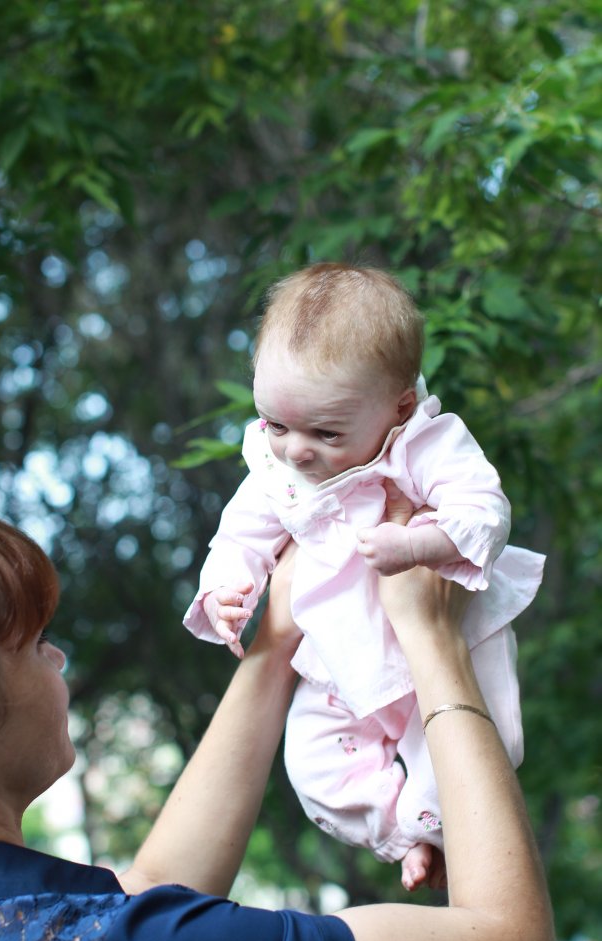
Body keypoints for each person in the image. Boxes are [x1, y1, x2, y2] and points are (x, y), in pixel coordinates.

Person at [0, 497, 553, 941]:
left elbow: (151, 889)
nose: (58, 656)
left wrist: (276, 639)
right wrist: (431, 638)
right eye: (33, 643)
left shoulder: (20, 933)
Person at [183, 262, 546, 889]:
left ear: (399, 404)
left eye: (325, 432)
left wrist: (419, 542)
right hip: (338, 656)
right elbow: (240, 531)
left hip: (447, 633)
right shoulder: (278, 469)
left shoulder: (426, 444)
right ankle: (400, 832)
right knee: (313, 766)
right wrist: (225, 588)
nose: (296, 451)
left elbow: (485, 510)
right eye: (275, 424)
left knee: (481, 746)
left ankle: (443, 831)